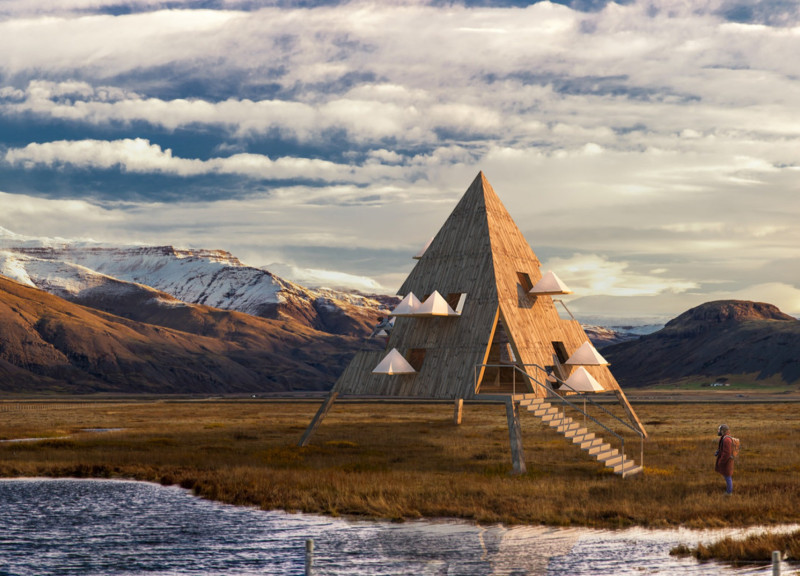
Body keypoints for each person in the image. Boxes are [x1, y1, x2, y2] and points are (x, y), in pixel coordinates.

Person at [715, 424, 734, 495]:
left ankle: (729, 492)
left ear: (722, 431)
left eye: (719, 429)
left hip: (726, 462)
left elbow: (726, 453)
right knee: (727, 476)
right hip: (727, 461)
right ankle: (729, 491)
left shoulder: (726, 440)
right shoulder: (725, 438)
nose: (718, 431)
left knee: (728, 476)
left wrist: (720, 462)